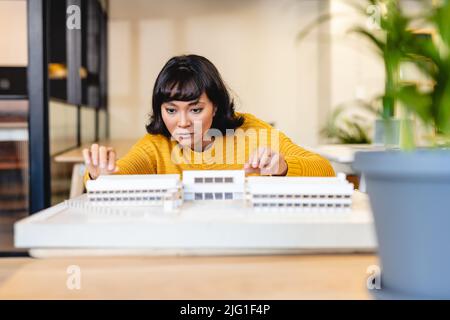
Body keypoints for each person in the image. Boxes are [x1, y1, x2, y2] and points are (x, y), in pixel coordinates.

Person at [83, 54, 335, 181]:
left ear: (215, 106)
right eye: (171, 110)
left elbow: (325, 170)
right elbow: (122, 173)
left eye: (195, 109)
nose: (182, 123)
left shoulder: (250, 133)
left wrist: (283, 167)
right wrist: (100, 176)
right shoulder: (156, 146)